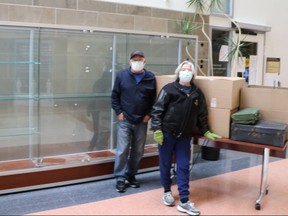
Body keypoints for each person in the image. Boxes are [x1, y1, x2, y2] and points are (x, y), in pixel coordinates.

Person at [150, 60, 221, 216]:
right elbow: (157, 111)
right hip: (167, 134)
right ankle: (167, 191)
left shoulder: (197, 93)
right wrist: (157, 130)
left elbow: (202, 114)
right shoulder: (169, 89)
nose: (186, 72)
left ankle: (184, 201)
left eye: (189, 70)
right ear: (178, 72)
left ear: (193, 74)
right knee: (165, 164)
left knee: (183, 167)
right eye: (184, 69)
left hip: (185, 137)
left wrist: (206, 131)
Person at [111, 50, 156, 193]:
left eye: (140, 59)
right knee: (122, 150)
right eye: (134, 59)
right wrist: (119, 112)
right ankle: (120, 177)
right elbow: (114, 96)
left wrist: (148, 115)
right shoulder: (122, 76)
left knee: (138, 150)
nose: (137, 62)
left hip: (142, 121)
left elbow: (154, 99)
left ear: (144, 61)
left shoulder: (150, 78)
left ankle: (131, 175)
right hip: (125, 120)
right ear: (130, 61)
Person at [87, 63, 112, 151]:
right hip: (103, 110)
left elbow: (93, 96)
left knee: (98, 130)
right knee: (103, 131)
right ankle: (98, 147)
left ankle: (93, 146)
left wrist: (89, 108)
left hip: (97, 109)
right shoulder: (109, 82)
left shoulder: (98, 82)